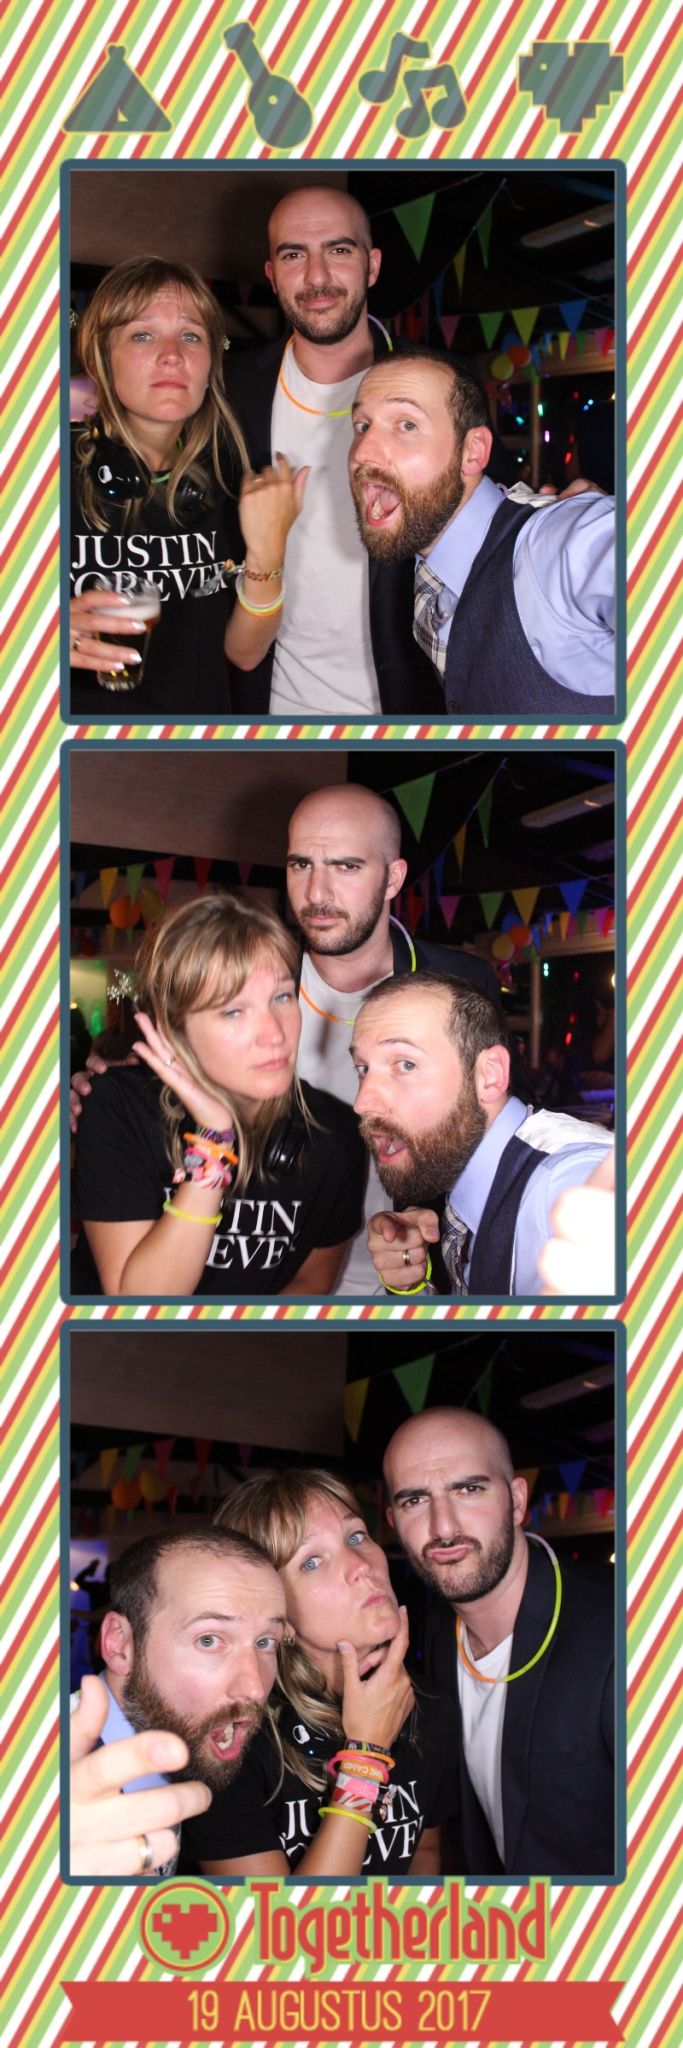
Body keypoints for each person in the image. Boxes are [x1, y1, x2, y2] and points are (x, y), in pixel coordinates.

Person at [69, 783, 501, 1296]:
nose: (316, 893)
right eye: (301, 865)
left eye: (346, 866)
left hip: (387, 1280)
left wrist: (433, 1228)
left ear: (393, 877)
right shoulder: (255, 970)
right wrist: (111, 1092)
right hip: (241, 1267)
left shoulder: (460, 984)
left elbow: (489, 1135)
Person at [71, 891, 365, 1297]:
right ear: (175, 1029)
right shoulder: (119, 1107)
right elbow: (139, 1307)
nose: (274, 1034)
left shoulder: (336, 1133)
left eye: (281, 997)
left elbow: (310, 1282)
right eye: (233, 1010)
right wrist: (213, 1141)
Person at [223, 185, 440, 718]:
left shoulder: (440, 387)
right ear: (272, 274)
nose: (316, 277)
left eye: (339, 250)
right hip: (269, 710)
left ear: (372, 265)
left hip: (405, 712)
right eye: (293, 255)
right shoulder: (230, 388)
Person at [182, 1469, 458, 1879]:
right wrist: (365, 1758)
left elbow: (424, 1854)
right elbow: (280, 1919)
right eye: (312, 1561)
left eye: (356, 1537)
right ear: (276, 1616)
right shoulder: (231, 1739)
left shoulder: (430, 1702)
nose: (361, 1566)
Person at [69, 257, 307, 720]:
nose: (172, 354)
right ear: (101, 357)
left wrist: (269, 552)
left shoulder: (230, 480)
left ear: (210, 363)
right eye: (142, 335)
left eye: (191, 336)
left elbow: (245, 654)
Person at [383, 1408, 615, 1878]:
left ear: (516, 1500)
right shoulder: (438, 1631)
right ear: (392, 1520)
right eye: (415, 1500)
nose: (443, 1527)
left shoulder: (623, 1631)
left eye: (469, 1489)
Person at [348, 350, 615, 720]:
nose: (363, 452)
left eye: (406, 425)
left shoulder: (557, 543)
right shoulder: (427, 564)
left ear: (473, 452)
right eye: (362, 426)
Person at [352, 971, 614, 1297]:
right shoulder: (460, 1170)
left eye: (406, 1064)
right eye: (363, 1068)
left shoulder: (561, 1185)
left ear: (489, 1075)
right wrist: (413, 1285)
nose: (363, 1103)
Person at [69, 1526, 285, 1877]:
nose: (255, 1688)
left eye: (265, 1643)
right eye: (209, 1640)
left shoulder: (178, 1741)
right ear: (120, 1645)